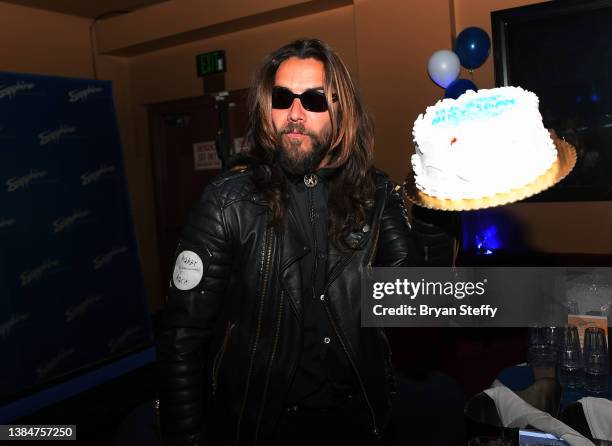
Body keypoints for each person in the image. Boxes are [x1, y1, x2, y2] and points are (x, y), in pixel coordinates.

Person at [156, 38, 456, 446]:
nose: (295, 114)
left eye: (313, 100)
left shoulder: (375, 195)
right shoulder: (228, 201)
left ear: (339, 109)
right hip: (262, 427)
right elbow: (181, 340)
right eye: (283, 98)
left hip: (358, 421)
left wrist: (440, 209)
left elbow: (419, 308)